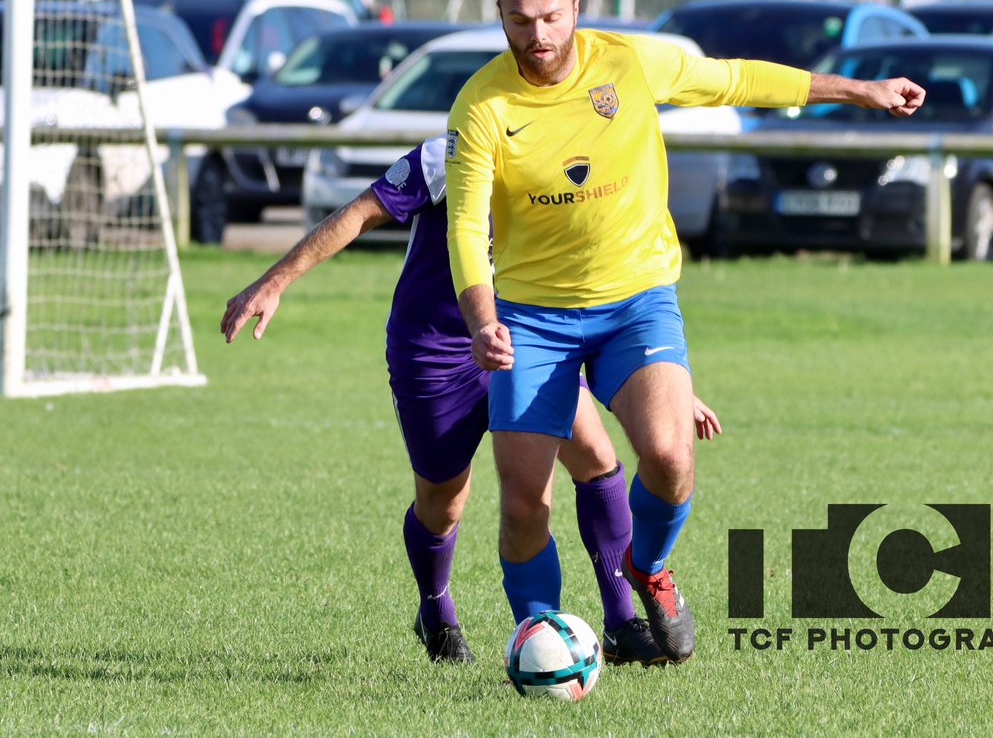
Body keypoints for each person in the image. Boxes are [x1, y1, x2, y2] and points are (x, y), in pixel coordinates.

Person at [445, 0, 925, 663]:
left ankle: (648, 566)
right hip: (533, 318)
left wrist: (858, 90)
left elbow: (735, 79)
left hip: (636, 301)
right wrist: (483, 320)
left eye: (551, 17)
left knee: (670, 458)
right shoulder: (482, 105)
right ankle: (540, 641)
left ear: (576, 6)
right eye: (520, 21)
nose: (538, 35)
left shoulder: (631, 62)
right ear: (501, 18)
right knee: (524, 504)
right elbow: (463, 223)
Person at [220, 134, 721, 666]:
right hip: (436, 352)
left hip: (527, 340)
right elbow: (360, 213)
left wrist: (665, 387)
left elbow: (606, 277)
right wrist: (276, 280)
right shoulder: (448, 155)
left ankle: (621, 621)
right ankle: (435, 610)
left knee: (597, 463)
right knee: (444, 503)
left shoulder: (576, 163)